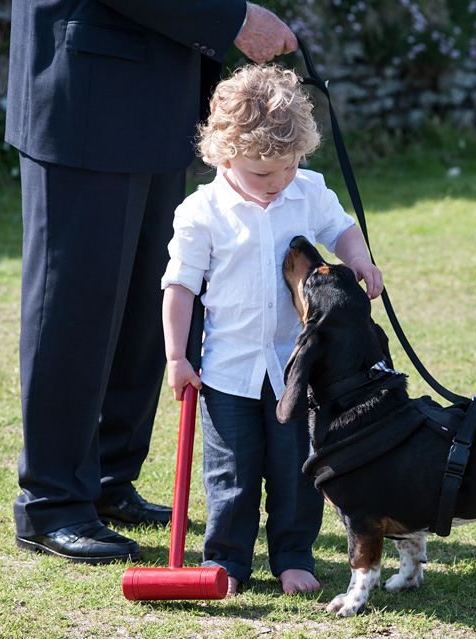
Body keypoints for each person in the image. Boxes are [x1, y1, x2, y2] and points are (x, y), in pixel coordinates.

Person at [6, 0, 299, 564]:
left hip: (157, 98)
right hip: (86, 89)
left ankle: (110, 480)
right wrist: (232, 19)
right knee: (75, 305)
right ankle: (52, 502)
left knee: (149, 302)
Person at [161, 64, 383, 595]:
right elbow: (180, 287)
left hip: (296, 369)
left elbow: (343, 229)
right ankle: (229, 562)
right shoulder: (201, 212)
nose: (278, 181)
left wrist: (362, 260)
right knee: (231, 476)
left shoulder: (307, 191)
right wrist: (176, 357)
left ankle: (292, 556)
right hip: (226, 372)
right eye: (264, 174)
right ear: (224, 153)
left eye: (288, 168)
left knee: (297, 470)